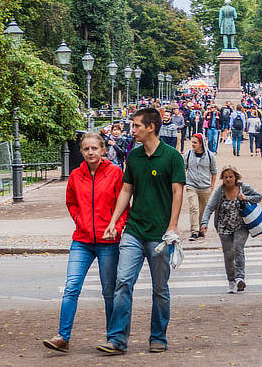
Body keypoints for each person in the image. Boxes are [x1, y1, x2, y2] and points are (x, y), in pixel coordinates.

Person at [98, 108, 186, 355]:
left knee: (160, 289)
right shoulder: (134, 156)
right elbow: (127, 190)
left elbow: (178, 191)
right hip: (134, 230)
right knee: (123, 281)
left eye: (136, 125)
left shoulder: (171, 157)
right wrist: (114, 221)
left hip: (159, 234)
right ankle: (117, 339)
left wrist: (173, 225)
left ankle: (158, 337)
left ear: (150, 127)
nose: (132, 129)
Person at [43, 133, 128, 354]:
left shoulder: (114, 173)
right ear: (81, 152)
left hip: (108, 241)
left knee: (109, 291)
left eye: (94, 148)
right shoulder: (76, 175)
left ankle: (113, 338)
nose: (90, 152)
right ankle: (63, 337)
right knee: (71, 287)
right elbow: (70, 201)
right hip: (81, 240)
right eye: (86, 149)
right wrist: (79, 220)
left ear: (103, 150)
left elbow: (124, 204)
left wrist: (117, 227)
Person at [200, 165, 262, 293]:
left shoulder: (243, 187)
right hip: (224, 226)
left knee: (238, 247)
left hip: (241, 225)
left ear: (236, 177)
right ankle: (231, 281)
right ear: (223, 178)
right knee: (228, 255)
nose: (228, 179)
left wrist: (246, 198)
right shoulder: (220, 191)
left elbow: (258, 197)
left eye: (231, 177)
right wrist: (204, 223)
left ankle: (240, 278)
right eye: (226, 177)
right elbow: (209, 207)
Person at [184, 133, 217, 241]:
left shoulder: (210, 156)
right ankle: (194, 231)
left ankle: (201, 230)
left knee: (203, 210)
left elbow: (214, 172)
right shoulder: (188, 154)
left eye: (195, 142)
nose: (193, 144)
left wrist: (212, 186)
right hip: (191, 185)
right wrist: (184, 181)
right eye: (192, 142)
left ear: (201, 144)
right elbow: (183, 168)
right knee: (194, 208)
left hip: (205, 187)